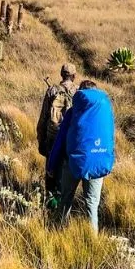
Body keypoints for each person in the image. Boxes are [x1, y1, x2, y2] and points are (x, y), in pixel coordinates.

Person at [47, 80, 114, 231]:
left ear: (81, 94)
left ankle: (59, 231)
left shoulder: (73, 113)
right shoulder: (105, 113)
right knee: (92, 204)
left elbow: (60, 141)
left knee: (66, 199)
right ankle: (93, 240)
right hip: (98, 162)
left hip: (72, 163)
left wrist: (51, 165)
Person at [37, 64, 77, 195]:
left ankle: (50, 200)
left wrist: (41, 140)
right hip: (70, 137)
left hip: (52, 136)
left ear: (61, 75)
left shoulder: (52, 91)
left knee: (51, 169)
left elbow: (43, 118)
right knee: (66, 170)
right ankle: (64, 200)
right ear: (74, 76)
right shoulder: (78, 92)